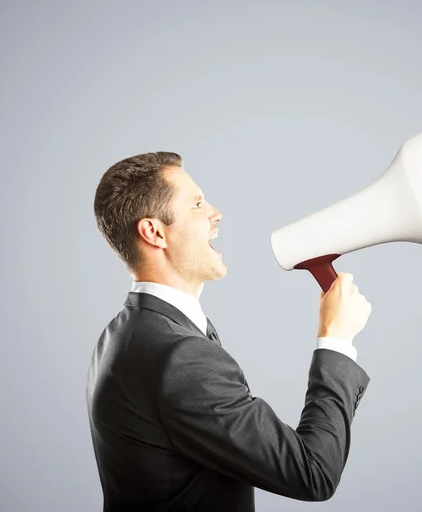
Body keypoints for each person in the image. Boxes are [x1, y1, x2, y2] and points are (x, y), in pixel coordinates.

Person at [87, 151, 372, 511]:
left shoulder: (123, 333)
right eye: (197, 204)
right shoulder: (181, 358)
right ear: (155, 232)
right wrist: (336, 341)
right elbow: (313, 472)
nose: (215, 213)